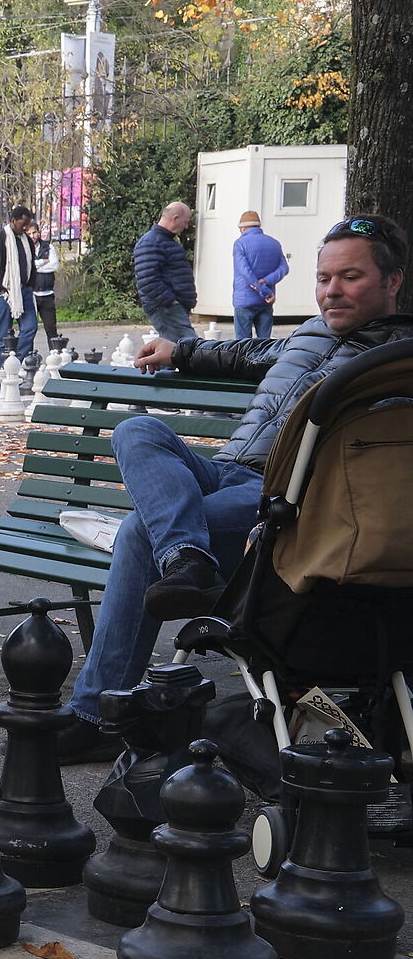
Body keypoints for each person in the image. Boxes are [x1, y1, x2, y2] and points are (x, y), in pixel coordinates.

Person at [61, 214, 413, 760]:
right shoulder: (316, 332)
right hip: (228, 469)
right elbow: (253, 355)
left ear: (393, 281)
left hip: (284, 496)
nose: (331, 291)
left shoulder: (395, 360)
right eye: (323, 278)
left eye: (350, 277)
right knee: (138, 430)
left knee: (136, 531)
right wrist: (179, 351)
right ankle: (187, 557)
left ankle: (97, 714)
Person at [0, 206, 38, 364]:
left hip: (23, 290)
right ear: (13, 221)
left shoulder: (27, 242)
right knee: (4, 335)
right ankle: (2, 370)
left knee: (30, 327)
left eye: (28, 223)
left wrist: (31, 285)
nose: (25, 227)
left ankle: (16, 362)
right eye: (22, 223)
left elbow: (32, 266)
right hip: (2, 293)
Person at [133, 201, 198, 343]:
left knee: (175, 353)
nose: (186, 226)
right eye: (185, 222)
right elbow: (147, 280)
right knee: (190, 350)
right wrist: (172, 302)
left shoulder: (163, 241)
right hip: (166, 307)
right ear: (175, 218)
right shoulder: (151, 242)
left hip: (170, 307)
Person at [232, 212, 289, 341]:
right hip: (266, 301)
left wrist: (262, 289)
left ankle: (243, 362)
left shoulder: (240, 244)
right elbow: (284, 268)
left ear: (243, 228)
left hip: (244, 299)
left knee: (242, 344)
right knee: (264, 343)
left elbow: (245, 272)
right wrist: (266, 282)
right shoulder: (274, 243)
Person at [29, 238, 59, 345]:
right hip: (31, 294)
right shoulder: (25, 248)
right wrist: (43, 262)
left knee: (51, 327)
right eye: (29, 233)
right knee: (29, 329)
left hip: (47, 294)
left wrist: (36, 268)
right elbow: (27, 266)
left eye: (34, 232)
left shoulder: (48, 247)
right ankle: (29, 356)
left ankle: (55, 354)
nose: (32, 236)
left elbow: (54, 265)